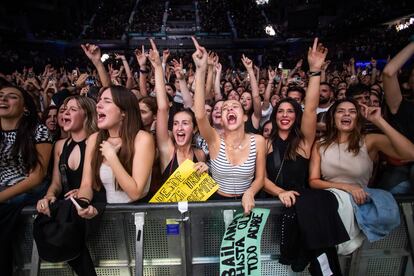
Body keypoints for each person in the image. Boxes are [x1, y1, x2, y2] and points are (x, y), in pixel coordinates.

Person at [309, 98, 414, 254]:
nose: (346, 114)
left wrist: (379, 121)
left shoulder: (369, 141)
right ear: (333, 117)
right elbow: (313, 181)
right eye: (341, 111)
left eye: (352, 112)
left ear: (358, 118)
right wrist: (347, 187)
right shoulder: (320, 144)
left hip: (360, 204)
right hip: (332, 203)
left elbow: (410, 153)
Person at [192, 37, 266, 215]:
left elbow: (261, 178)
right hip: (216, 202)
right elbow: (200, 114)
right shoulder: (214, 140)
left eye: (235, 106)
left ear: (245, 117)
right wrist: (201, 69)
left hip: (248, 203)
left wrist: (249, 192)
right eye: (225, 108)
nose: (230, 108)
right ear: (222, 119)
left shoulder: (259, 141)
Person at [36, 95, 98, 275]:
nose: (65, 113)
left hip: (88, 207)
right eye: (64, 109)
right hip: (69, 211)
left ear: (86, 114)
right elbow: (56, 183)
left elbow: (92, 181)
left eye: (72, 109)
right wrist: (48, 197)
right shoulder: (59, 145)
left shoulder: (95, 140)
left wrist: (82, 199)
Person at [75, 85, 155, 218]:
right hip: (106, 218)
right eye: (99, 100)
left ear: (123, 112)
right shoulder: (94, 139)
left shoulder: (142, 139)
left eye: (106, 101)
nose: (98, 105)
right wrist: (83, 204)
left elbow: (135, 193)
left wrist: (112, 157)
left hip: (137, 218)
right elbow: (86, 185)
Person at [0, 85, 52, 275]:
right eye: (1, 96)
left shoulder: (38, 131)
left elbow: (36, 177)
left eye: (11, 97)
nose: (3, 99)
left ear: (25, 108)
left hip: (27, 189)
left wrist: (2, 196)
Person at [147, 39, 208, 184]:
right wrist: (157, 67)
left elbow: (200, 112)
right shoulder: (167, 149)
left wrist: (206, 170)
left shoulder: (200, 155)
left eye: (185, 123)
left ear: (194, 129)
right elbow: (162, 108)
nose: (179, 127)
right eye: (175, 123)